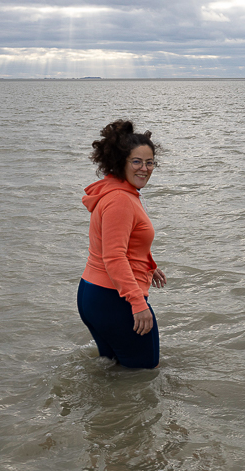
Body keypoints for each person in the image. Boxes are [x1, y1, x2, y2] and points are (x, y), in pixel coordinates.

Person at [76, 119, 166, 369]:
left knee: (114, 371)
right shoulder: (120, 200)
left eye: (150, 162)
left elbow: (120, 245)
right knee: (145, 373)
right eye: (136, 161)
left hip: (94, 294)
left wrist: (147, 266)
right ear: (120, 162)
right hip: (114, 299)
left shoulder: (113, 192)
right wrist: (137, 303)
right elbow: (114, 257)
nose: (145, 168)